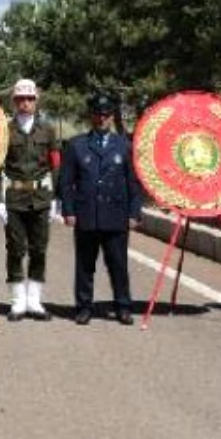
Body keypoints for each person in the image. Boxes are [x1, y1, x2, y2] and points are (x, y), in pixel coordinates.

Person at [59, 93, 143, 326]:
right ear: (91, 116)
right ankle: (84, 307)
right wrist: (68, 210)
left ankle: (123, 307)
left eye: (106, 115)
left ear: (111, 117)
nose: (102, 119)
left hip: (116, 216)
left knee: (118, 264)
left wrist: (134, 213)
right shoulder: (77, 145)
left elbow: (133, 183)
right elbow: (66, 182)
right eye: (98, 114)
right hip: (87, 215)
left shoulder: (124, 145)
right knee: (85, 265)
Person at [0, 79, 59, 322]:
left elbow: (55, 165)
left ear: (36, 101)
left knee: (39, 250)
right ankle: (18, 302)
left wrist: (56, 198)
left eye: (29, 99)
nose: (25, 103)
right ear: (14, 102)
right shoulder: (4, 131)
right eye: (20, 99)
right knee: (16, 250)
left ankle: (35, 301)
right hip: (14, 199)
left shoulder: (48, 130)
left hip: (41, 199)